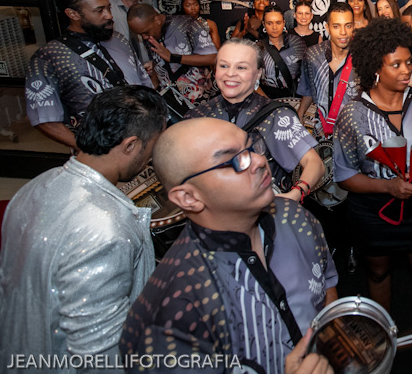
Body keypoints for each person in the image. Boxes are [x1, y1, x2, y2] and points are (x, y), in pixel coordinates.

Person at [119, 117, 338, 374]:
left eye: (252, 147)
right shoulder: (170, 313)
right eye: (234, 160)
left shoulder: (294, 217)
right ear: (188, 197)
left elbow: (327, 289)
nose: (259, 161)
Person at [0, 86, 167, 370]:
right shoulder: (108, 230)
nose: (152, 156)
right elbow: (100, 352)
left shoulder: (37, 185)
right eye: (153, 146)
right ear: (130, 145)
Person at [331, 17, 412, 370]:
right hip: (373, 210)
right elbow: (344, 175)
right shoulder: (353, 115)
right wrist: (388, 186)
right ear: (375, 68)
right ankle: (382, 332)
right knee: (378, 273)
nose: (406, 70)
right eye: (396, 64)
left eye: (408, 62)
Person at [186, 37, 324, 200]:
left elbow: (315, 164)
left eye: (241, 67)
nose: (230, 73)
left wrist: (295, 195)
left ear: (258, 73)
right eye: (223, 65)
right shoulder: (196, 117)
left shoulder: (275, 115)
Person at [26, 0, 153, 150]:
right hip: (100, 152)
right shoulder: (50, 57)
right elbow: (45, 120)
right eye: (99, 11)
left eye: (109, 8)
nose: (109, 15)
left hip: (144, 143)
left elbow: (146, 86)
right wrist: (90, 151)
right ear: (73, 14)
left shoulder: (119, 39)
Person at [128, 3, 218, 105]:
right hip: (173, 101)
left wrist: (173, 57)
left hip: (204, 100)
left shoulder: (188, 24)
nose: (144, 37)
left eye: (146, 32)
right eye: (140, 34)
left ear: (157, 20)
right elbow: (156, 66)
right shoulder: (150, 37)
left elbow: (213, 58)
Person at [295, 2, 359, 136]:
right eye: (336, 26)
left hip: (354, 131)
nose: (343, 32)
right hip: (320, 130)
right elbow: (309, 89)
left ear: (353, 26)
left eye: (348, 26)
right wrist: (300, 114)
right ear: (327, 28)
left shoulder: (363, 57)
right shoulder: (313, 55)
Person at [259, 5, 307, 98]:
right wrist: (266, 100)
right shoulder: (258, 48)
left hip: (295, 97)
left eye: (278, 22)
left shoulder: (297, 43)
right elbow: (251, 81)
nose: (274, 27)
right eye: (269, 23)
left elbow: (307, 74)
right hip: (267, 98)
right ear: (264, 24)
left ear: (284, 23)